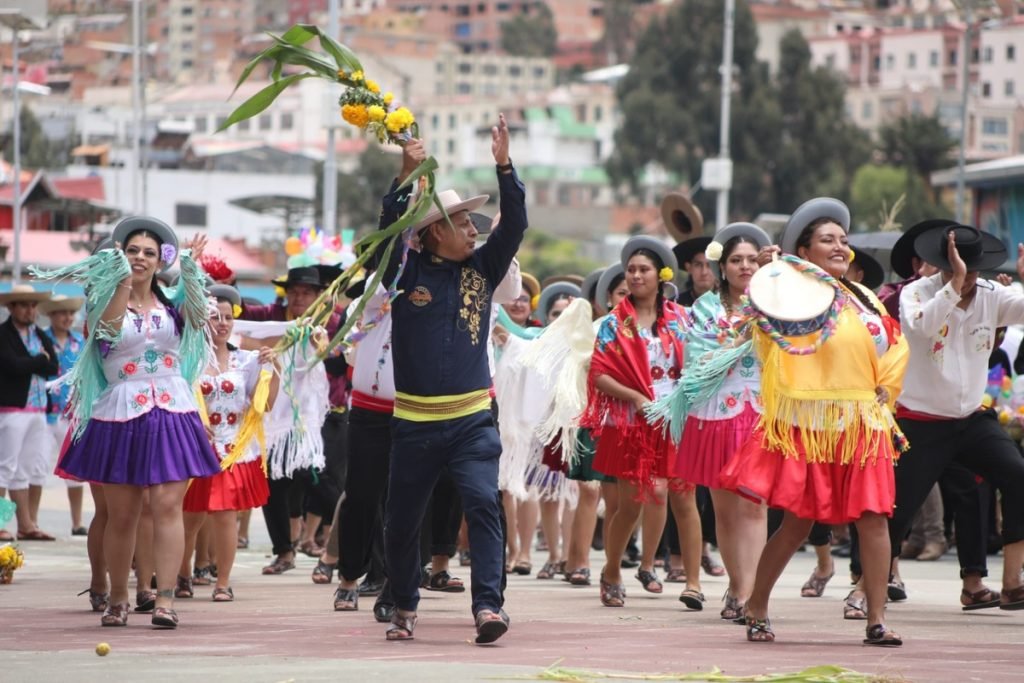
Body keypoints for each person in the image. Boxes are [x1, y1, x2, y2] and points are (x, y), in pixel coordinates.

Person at [720, 197, 908, 647]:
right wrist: (772, 275)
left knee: (874, 519)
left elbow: (895, 342)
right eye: (828, 240)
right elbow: (765, 328)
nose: (841, 246)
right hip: (810, 423)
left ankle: (875, 620)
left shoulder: (864, 297)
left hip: (862, 424)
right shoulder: (792, 291)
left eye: (844, 240)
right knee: (798, 525)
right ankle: (757, 605)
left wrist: (887, 385)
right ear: (804, 252)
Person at [377, 115, 525, 644]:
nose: (473, 230)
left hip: (470, 422)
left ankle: (488, 607)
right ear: (433, 230)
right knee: (400, 522)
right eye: (463, 223)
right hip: (413, 424)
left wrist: (504, 166)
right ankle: (403, 603)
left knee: (484, 504)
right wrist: (405, 171)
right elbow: (383, 240)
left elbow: (514, 227)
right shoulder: (405, 274)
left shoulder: (482, 271)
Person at [41, 216, 221, 629]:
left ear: (161, 261)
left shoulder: (174, 302)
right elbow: (106, 333)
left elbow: (198, 319)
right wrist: (123, 280)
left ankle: (165, 599)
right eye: (132, 250)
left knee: (166, 505)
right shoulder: (104, 300)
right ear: (120, 255)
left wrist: (191, 269)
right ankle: (118, 596)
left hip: (173, 408)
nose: (140, 258)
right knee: (122, 514)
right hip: (120, 410)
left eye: (149, 253)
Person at [891, 224, 1024, 613]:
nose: (968, 281)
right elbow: (922, 327)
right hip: (922, 420)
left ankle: (1010, 582)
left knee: (1017, 475)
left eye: (972, 272)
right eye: (957, 270)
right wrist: (953, 285)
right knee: (898, 508)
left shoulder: (990, 294)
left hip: (971, 418)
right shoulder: (915, 293)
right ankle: (867, 586)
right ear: (941, 266)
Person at [658, 222, 775, 621]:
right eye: (736, 260)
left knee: (756, 507)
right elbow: (698, 362)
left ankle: (753, 592)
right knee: (725, 512)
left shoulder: (778, 303)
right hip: (715, 414)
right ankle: (738, 586)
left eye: (751, 260)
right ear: (720, 266)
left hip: (761, 413)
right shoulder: (703, 310)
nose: (745, 267)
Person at [583, 236, 704, 610]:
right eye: (630, 270)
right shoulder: (614, 324)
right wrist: (636, 398)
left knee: (684, 497)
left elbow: (699, 364)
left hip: (675, 420)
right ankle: (612, 570)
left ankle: (694, 583)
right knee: (634, 503)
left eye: (643, 270)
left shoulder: (683, 319)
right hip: (630, 423)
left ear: (661, 276)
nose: (635, 276)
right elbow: (599, 374)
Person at [177, 285, 279, 602]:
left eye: (227, 317)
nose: (222, 323)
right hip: (196, 450)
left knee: (225, 516)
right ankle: (182, 575)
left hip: (233, 451)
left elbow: (265, 404)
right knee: (189, 518)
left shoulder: (246, 360)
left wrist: (272, 370)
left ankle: (222, 582)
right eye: (215, 317)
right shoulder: (188, 360)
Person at [240, 264, 343, 575]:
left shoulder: (326, 321)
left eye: (307, 293)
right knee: (272, 485)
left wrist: (319, 345)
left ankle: (344, 544)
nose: (299, 298)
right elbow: (238, 322)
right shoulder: (268, 315)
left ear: (316, 295)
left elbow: (334, 356)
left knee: (322, 483)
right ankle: (284, 552)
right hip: (271, 414)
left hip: (311, 419)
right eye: (295, 292)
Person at [0, 284, 59, 543]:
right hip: (12, 408)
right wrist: (39, 361)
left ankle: (25, 524)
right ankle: (2, 523)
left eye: (33, 305)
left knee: (24, 468)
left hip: (37, 408)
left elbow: (53, 366)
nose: (30, 310)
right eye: (24, 305)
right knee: (5, 467)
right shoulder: (4, 334)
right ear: (11, 308)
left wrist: (37, 362)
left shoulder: (40, 335)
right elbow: (12, 366)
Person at [40, 295, 88, 535]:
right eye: (61, 313)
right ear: (51, 315)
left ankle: (77, 522)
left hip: (72, 414)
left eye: (70, 313)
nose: (67, 318)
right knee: (31, 467)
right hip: (43, 411)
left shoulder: (80, 342)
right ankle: (28, 521)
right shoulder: (40, 340)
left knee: (75, 469)